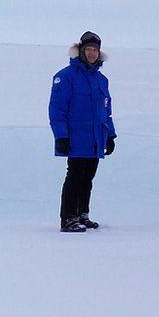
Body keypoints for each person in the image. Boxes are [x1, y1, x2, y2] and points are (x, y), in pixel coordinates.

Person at [49, 31, 117, 232]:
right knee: (75, 176)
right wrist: (61, 136)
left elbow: (106, 110)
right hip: (76, 138)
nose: (92, 53)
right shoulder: (65, 77)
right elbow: (57, 110)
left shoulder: (101, 80)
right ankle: (68, 218)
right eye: (88, 49)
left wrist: (110, 135)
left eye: (95, 50)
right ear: (80, 51)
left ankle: (82, 213)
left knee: (88, 177)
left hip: (95, 138)